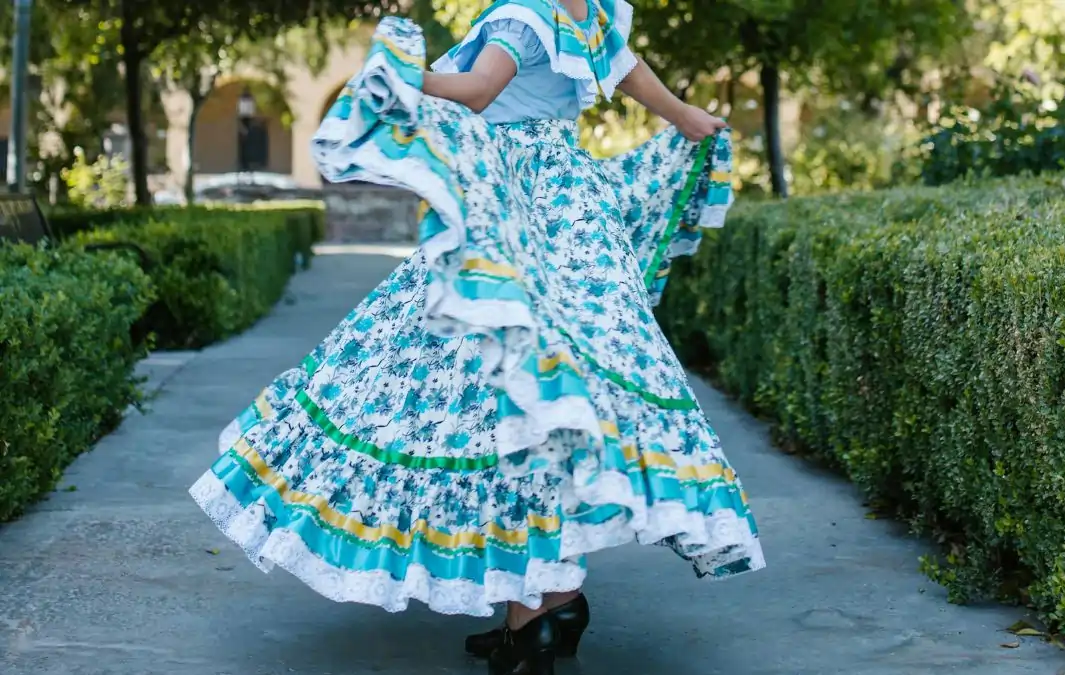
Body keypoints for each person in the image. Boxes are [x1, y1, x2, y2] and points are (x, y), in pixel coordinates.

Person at [189, 1, 765, 673]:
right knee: (547, 396)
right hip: (568, 203)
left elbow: (480, 88)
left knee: (499, 394)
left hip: (514, 203)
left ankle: (538, 609)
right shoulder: (589, 12)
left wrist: (402, 75)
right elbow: (630, 71)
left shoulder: (524, 16)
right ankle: (549, 603)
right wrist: (687, 117)